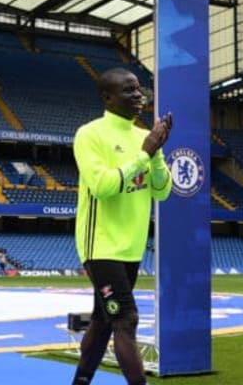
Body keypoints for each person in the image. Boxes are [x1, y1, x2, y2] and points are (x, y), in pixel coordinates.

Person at [71, 68, 173, 385]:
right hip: (100, 245)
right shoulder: (90, 134)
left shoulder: (144, 137)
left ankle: (80, 381)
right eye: (128, 90)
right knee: (126, 319)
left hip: (130, 247)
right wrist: (145, 155)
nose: (138, 95)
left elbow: (162, 190)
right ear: (108, 97)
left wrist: (154, 154)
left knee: (103, 321)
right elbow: (103, 186)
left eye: (139, 89)